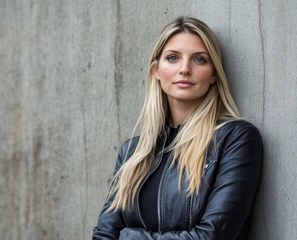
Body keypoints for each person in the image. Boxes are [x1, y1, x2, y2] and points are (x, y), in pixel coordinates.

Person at [92, 16, 263, 240]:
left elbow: (211, 237)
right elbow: (104, 235)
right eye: (173, 58)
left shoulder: (235, 139)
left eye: (199, 60)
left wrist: (128, 236)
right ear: (156, 69)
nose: (184, 69)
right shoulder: (132, 152)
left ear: (213, 74)